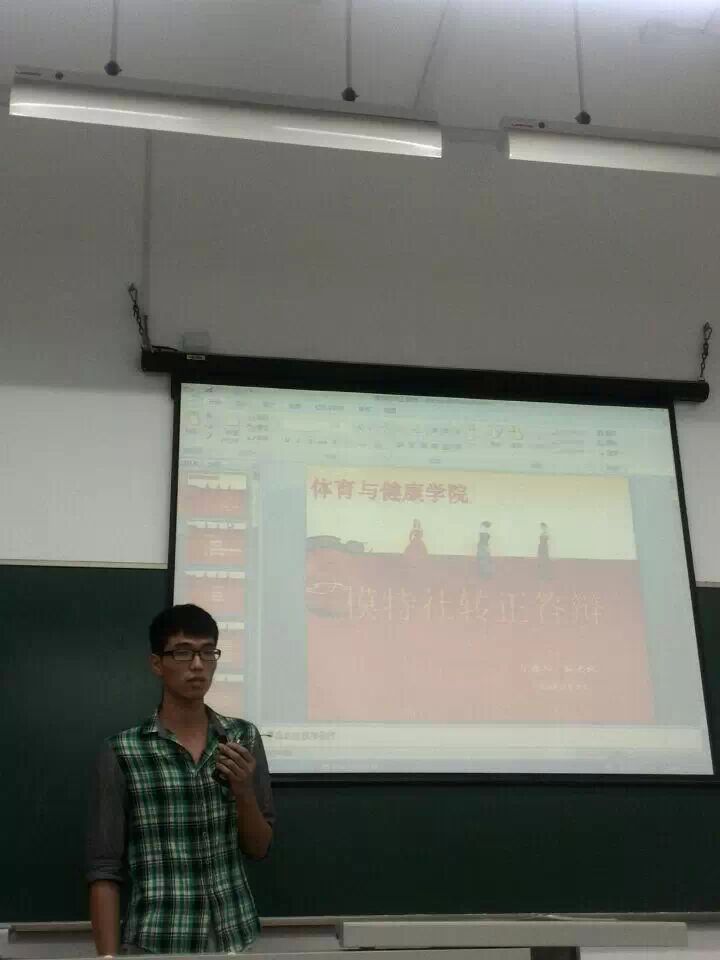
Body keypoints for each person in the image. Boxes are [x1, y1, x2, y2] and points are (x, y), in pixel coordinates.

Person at [86, 604, 274, 956]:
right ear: (157, 663)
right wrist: (107, 957)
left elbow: (259, 848)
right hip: (158, 941)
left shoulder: (242, 738)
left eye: (208, 652)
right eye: (183, 653)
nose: (198, 665)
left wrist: (244, 792)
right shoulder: (123, 752)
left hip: (234, 937)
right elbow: (104, 869)